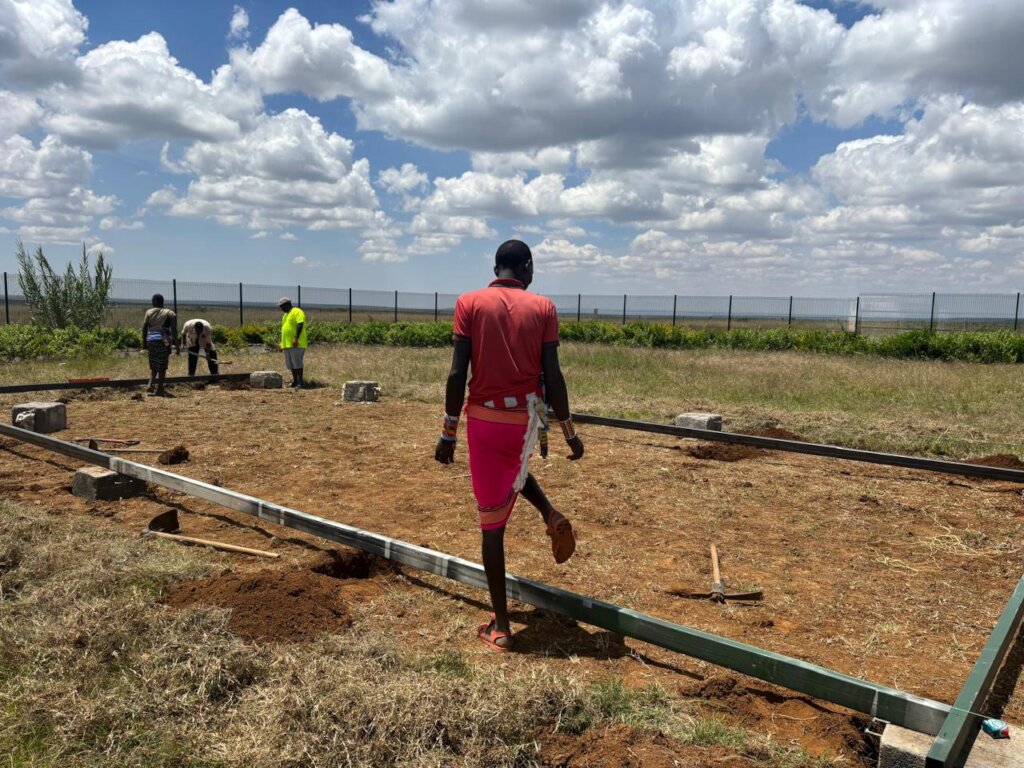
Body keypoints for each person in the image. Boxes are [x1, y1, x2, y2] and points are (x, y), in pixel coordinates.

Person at [434, 239, 584, 652]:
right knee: (514, 471)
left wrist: (448, 432)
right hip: (525, 421)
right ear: (527, 266)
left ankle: (500, 627)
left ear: (496, 268)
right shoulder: (544, 308)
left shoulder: (468, 303)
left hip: (485, 421)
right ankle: (550, 513)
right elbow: (554, 376)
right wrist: (570, 432)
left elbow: (456, 374)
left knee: (491, 526)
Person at [141, 293, 179, 396]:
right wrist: (177, 345)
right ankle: (160, 389)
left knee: (154, 364)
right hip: (163, 342)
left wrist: (144, 344)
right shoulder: (170, 313)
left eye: (152, 301)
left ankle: (150, 384)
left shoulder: (149, 312)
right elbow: (174, 329)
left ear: (155, 302)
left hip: (151, 341)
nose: (151, 303)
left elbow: (144, 328)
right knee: (162, 366)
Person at [277, 297, 307, 388]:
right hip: (287, 344)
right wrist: (282, 343)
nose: (281, 308)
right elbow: (285, 329)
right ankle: (295, 381)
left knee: (297, 363)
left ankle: (301, 382)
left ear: (287, 305)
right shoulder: (285, 315)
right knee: (291, 364)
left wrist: (296, 337)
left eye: (282, 306)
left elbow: (300, 324)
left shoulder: (297, 311)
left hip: (296, 343)